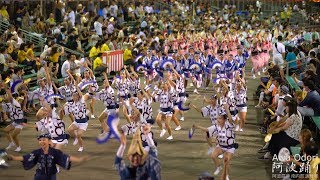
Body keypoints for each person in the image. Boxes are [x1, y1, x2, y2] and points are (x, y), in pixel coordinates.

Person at [7, 133, 88, 180]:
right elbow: (26, 157)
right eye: (40, 140)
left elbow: (66, 157)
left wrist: (79, 159)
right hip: (39, 176)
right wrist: (13, 158)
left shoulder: (55, 152)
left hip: (51, 176)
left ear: (49, 141)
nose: (42, 141)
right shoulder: (37, 152)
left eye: (44, 140)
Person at [192, 104, 236, 180]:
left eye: (220, 118)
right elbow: (207, 130)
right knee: (213, 155)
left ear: (224, 120)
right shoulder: (216, 126)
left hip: (230, 147)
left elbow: (231, 120)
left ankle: (227, 175)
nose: (218, 120)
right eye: (218, 118)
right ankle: (218, 167)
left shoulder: (229, 125)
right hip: (221, 146)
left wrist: (227, 110)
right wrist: (197, 126)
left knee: (226, 160)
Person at [1, 85, 26, 152]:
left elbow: (10, 97)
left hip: (21, 122)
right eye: (3, 96)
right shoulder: (6, 104)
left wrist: (7, 89)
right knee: (6, 130)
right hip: (15, 122)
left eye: (6, 95)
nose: (5, 97)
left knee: (14, 135)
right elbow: (5, 112)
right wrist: (5, 115)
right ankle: (11, 143)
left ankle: (19, 147)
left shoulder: (14, 102)